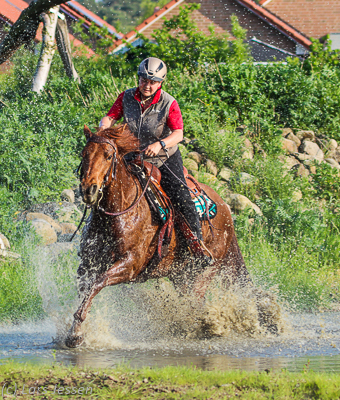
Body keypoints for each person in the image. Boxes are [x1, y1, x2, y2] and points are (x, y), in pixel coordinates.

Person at [99, 57, 209, 261]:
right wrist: (103, 127)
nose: (147, 85)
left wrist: (160, 144)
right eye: (143, 80)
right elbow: (110, 117)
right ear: (138, 79)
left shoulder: (169, 103)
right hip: (134, 155)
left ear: (160, 83)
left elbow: (178, 134)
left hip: (164, 157)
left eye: (153, 82)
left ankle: (197, 244)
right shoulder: (126, 97)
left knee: (180, 194)